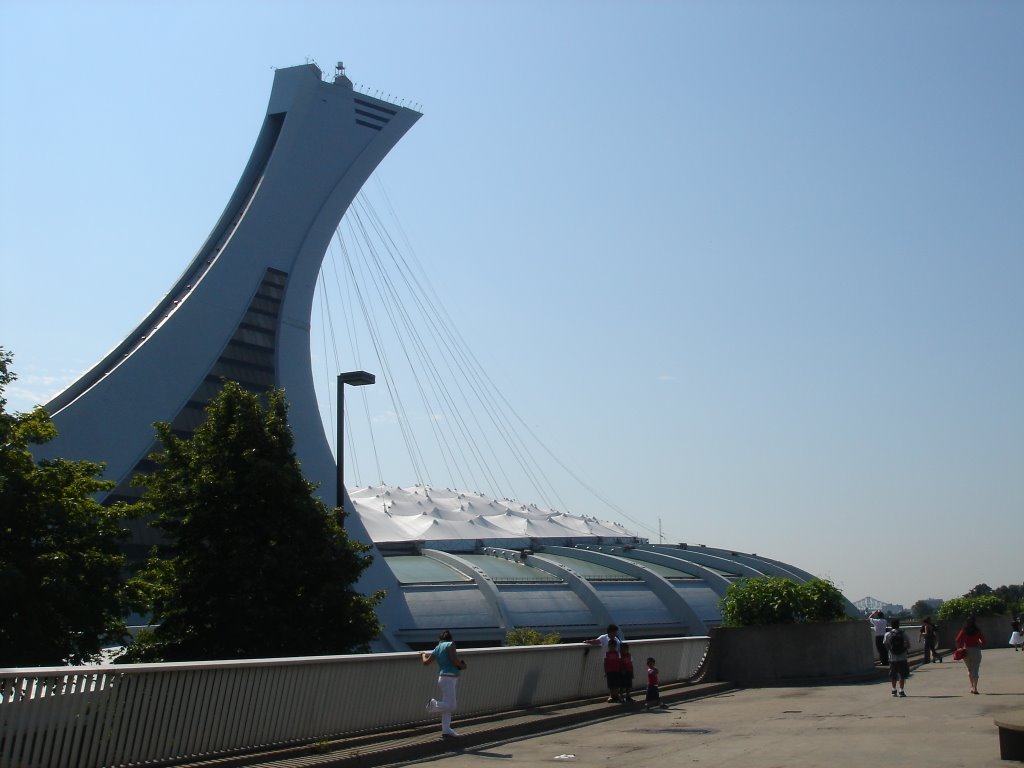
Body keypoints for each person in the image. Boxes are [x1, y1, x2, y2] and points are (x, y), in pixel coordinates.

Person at [421, 629, 467, 738]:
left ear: (440, 639)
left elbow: (426, 662)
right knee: (451, 705)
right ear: (450, 638)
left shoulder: (437, 647)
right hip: (449, 678)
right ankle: (433, 704)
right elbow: (454, 660)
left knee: (447, 706)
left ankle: (446, 730)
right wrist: (462, 666)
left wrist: (423, 654)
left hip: (442, 678)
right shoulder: (450, 644)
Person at [584, 624, 626, 702]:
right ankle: (612, 695)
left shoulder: (617, 639)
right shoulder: (604, 637)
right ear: (610, 631)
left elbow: (620, 650)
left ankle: (615, 695)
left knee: (616, 680)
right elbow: (597, 641)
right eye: (614, 632)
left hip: (617, 662)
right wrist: (588, 642)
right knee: (610, 680)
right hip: (608, 662)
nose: (615, 634)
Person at [954, 615, 986, 695]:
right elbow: (984, 642)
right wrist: (979, 642)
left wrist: (959, 648)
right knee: (975, 669)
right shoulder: (977, 630)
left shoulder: (964, 630)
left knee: (969, 669)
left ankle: (971, 686)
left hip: (966, 650)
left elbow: (957, 640)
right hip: (975, 650)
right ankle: (975, 688)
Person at [884, 618, 910, 697]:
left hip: (892, 658)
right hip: (902, 657)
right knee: (902, 674)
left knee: (893, 674)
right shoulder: (903, 634)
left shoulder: (887, 634)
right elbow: (908, 645)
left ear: (891, 625)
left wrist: (891, 651)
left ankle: (893, 690)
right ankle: (901, 691)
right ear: (899, 625)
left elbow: (886, 645)